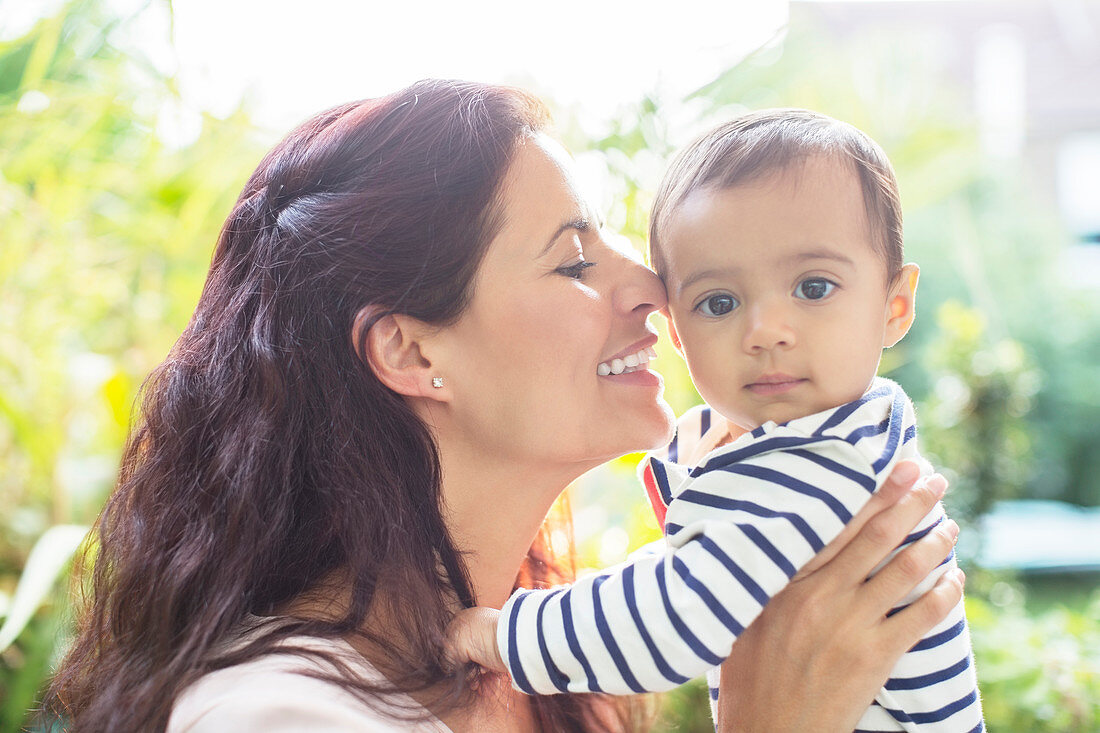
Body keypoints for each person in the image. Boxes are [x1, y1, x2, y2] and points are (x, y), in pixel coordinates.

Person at [40, 82, 963, 733]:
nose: (653, 286)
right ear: (411, 349)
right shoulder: (274, 714)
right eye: (573, 258)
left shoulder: (541, 658)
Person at [445, 110, 983, 731]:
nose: (765, 332)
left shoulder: (821, 462)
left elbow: (673, 615)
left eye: (813, 287)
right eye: (719, 303)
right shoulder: (821, 441)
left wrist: (492, 634)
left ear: (895, 306)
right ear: (678, 333)